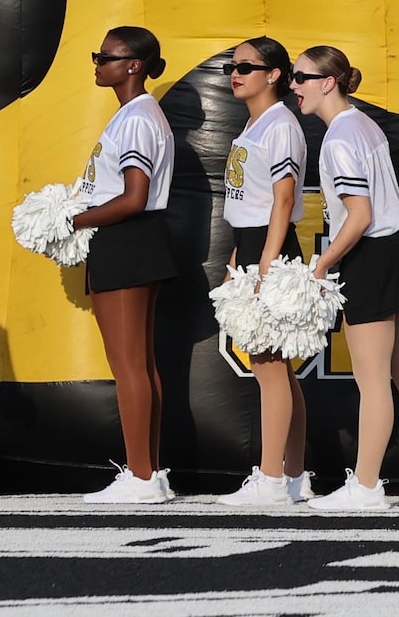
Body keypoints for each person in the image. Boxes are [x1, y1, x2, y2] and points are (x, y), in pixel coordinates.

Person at [300, 44, 399, 511]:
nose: (294, 85)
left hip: (370, 254)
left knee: (372, 380)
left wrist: (323, 263)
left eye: (301, 77)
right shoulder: (362, 124)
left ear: (327, 82)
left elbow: (359, 214)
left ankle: (367, 485)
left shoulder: (339, 137)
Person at [65, 25, 182, 506]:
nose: (97, 63)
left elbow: (133, 197)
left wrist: (71, 218)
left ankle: (141, 476)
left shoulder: (136, 118)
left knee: (129, 365)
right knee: (141, 364)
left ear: (133, 64)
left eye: (105, 56)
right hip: (135, 241)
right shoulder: (136, 115)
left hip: (128, 239)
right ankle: (148, 472)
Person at [211, 36, 312, 508]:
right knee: (277, 371)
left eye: (246, 67)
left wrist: (266, 265)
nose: (236, 73)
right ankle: (293, 475)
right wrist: (238, 259)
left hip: (269, 248)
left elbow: (284, 198)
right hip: (251, 245)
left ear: (273, 74)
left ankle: (271, 479)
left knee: (268, 367)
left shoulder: (280, 124)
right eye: (232, 66)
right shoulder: (255, 123)